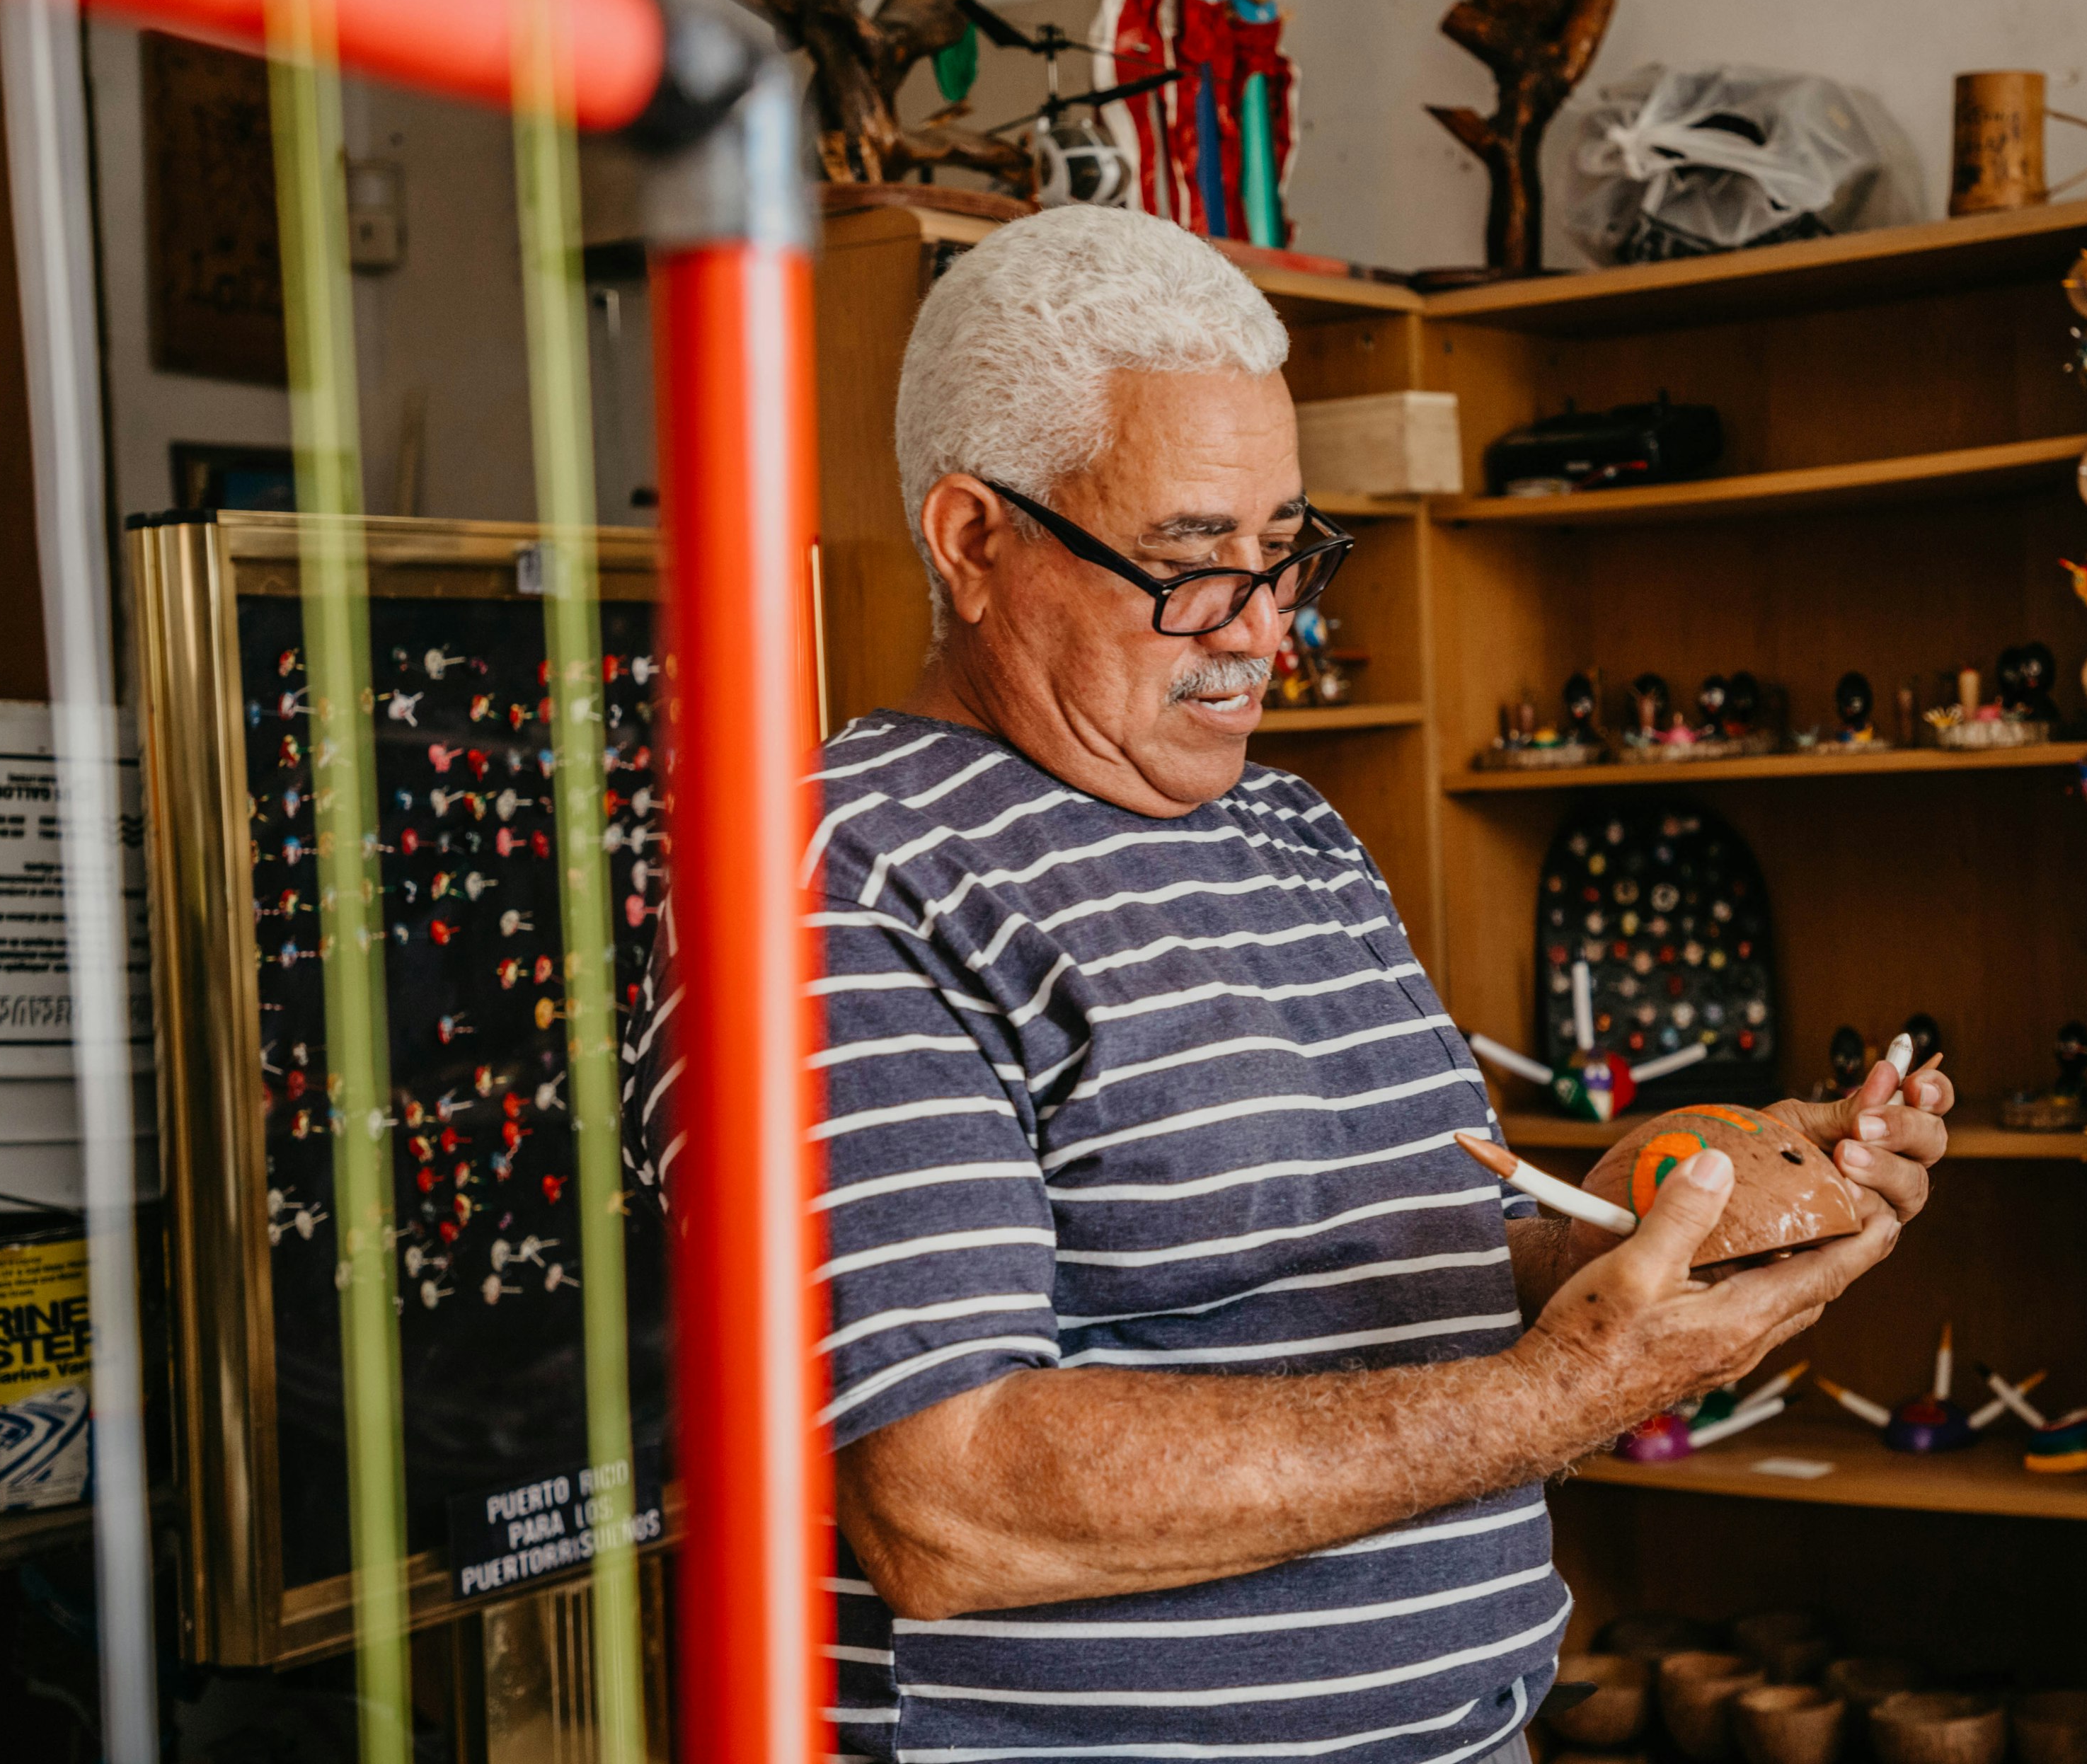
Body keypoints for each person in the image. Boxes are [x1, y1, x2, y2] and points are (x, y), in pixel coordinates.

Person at [628, 205, 1949, 1764]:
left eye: (1287, 551)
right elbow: (953, 1496)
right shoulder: (836, 881)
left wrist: (1661, 1212)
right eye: (1192, 563)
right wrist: (1573, 1386)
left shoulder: (1285, 827)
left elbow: (1351, 1283)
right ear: (972, 540)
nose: (1265, 632)